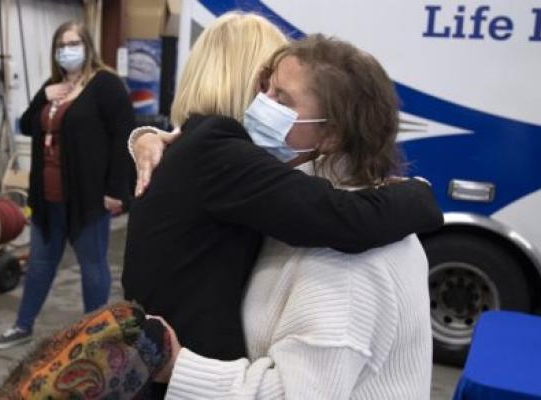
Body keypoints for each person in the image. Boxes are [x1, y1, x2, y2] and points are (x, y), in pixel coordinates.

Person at [123, 13, 441, 397]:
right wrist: (420, 193)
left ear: (332, 133)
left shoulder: (350, 261)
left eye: (280, 96)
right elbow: (345, 217)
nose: (263, 103)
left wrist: (418, 193)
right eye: (264, 87)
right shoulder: (220, 152)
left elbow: (347, 217)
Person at [0, 21, 135, 349]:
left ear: (87, 46)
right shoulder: (52, 86)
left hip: (87, 197)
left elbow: (122, 138)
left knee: (93, 265)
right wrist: (44, 96)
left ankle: (94, 337)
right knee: (40, 262)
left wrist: (117, 190)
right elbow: (28, 124)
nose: (66, 50)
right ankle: (22, 325)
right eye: (61, 45)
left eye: (73, 43)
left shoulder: (105, 84)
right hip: (47, 196)